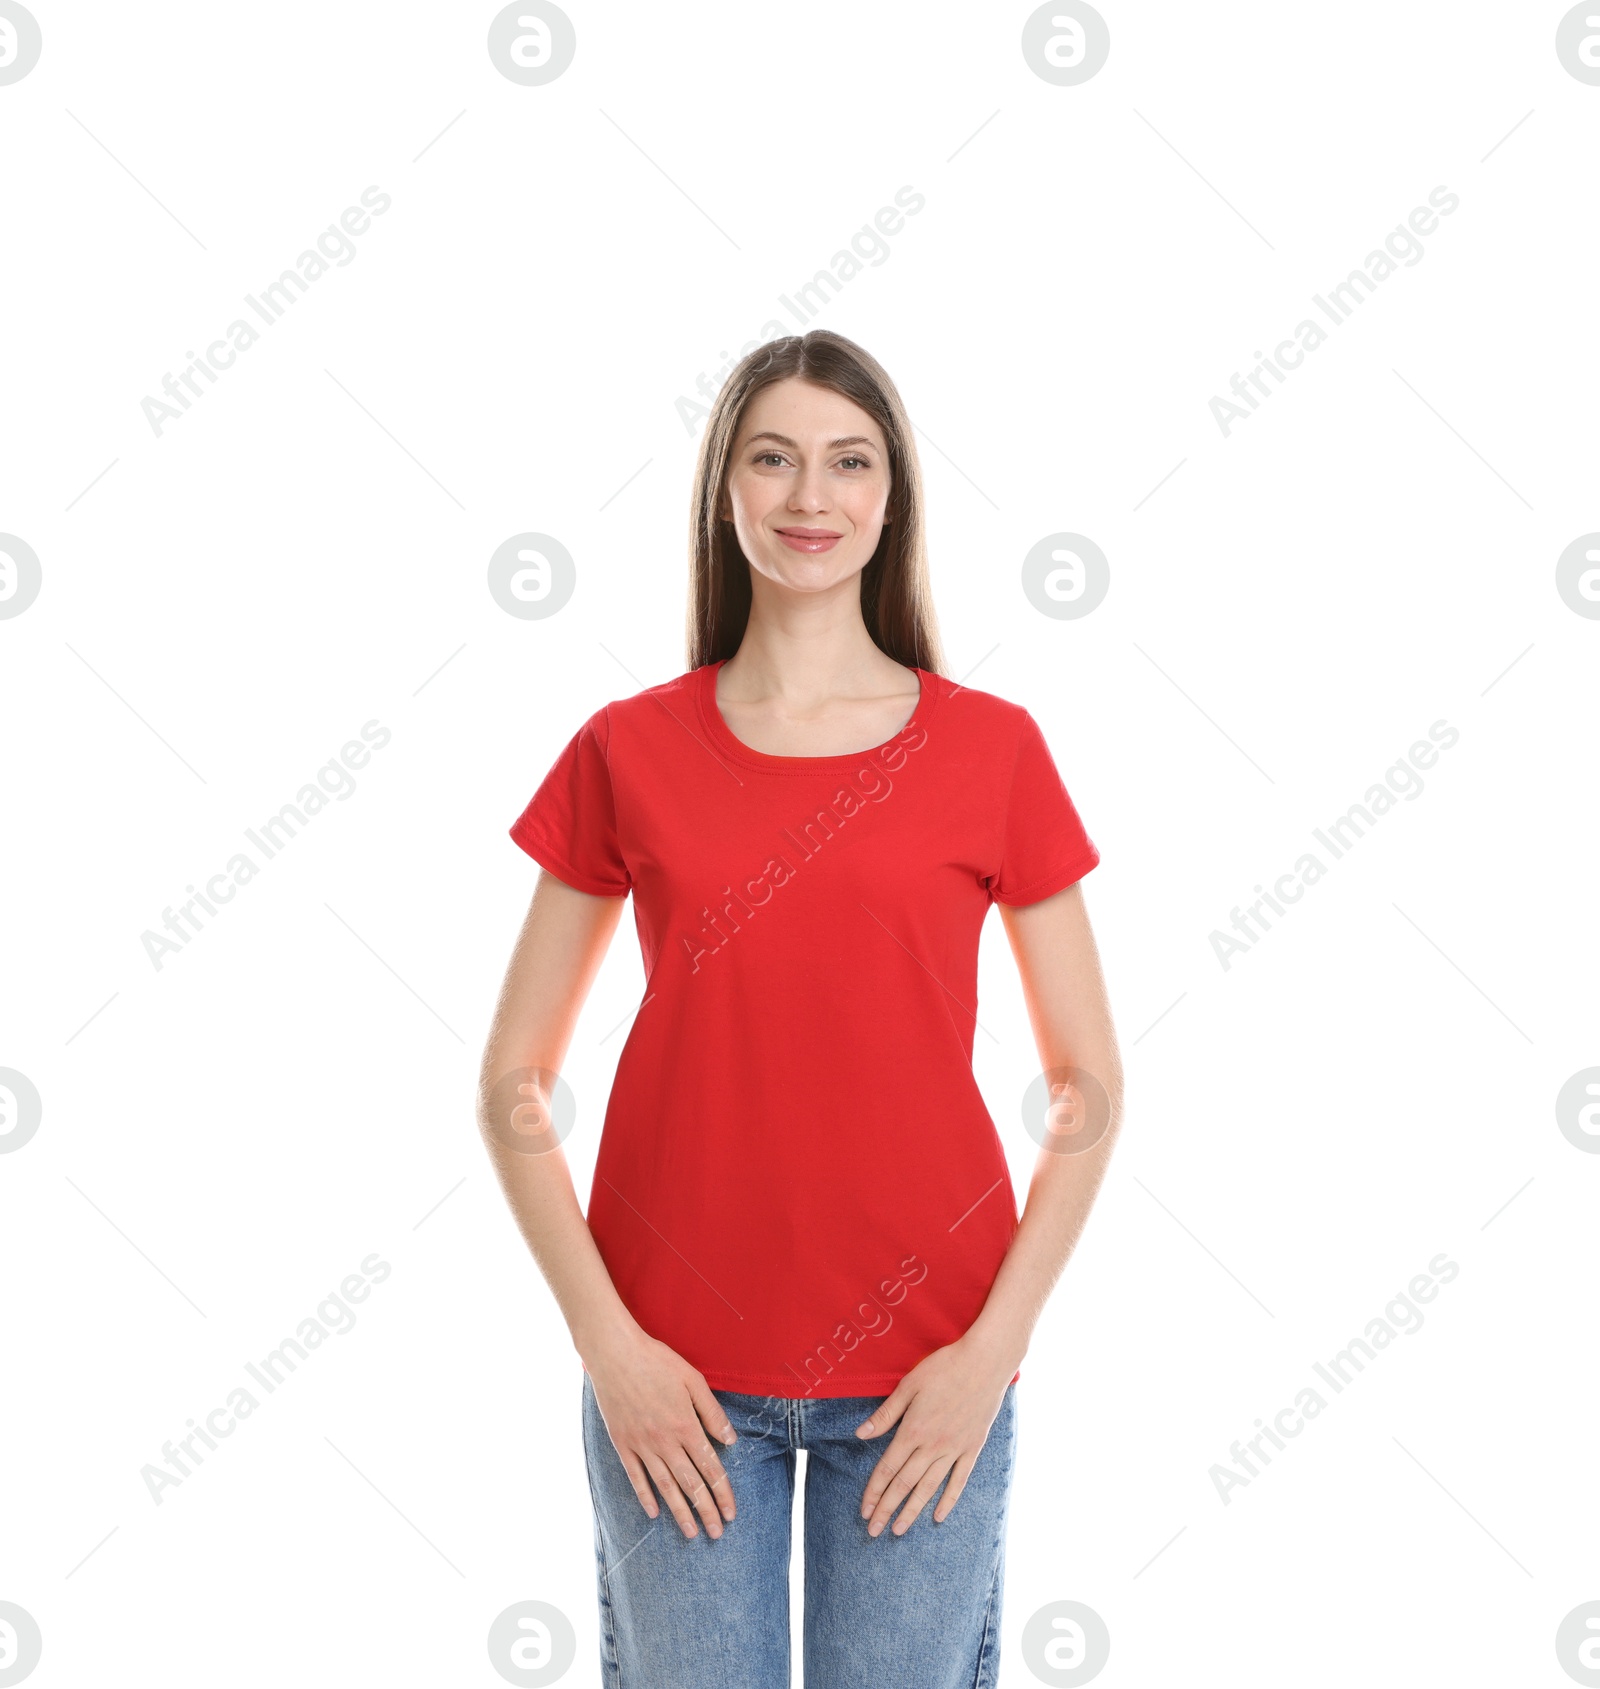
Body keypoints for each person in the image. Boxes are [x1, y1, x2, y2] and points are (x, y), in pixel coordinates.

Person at [478, 329, 1123, 1689]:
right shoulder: (627, 748)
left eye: (849, 461)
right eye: (771, 458)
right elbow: (513, 1085)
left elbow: (1090, 1090)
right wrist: (612, 1348)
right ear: (726, 490)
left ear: (892, 499)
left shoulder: (992, 748)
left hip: (926, 1381)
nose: (809, 495)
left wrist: (991, 1353)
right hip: (677, 1392)